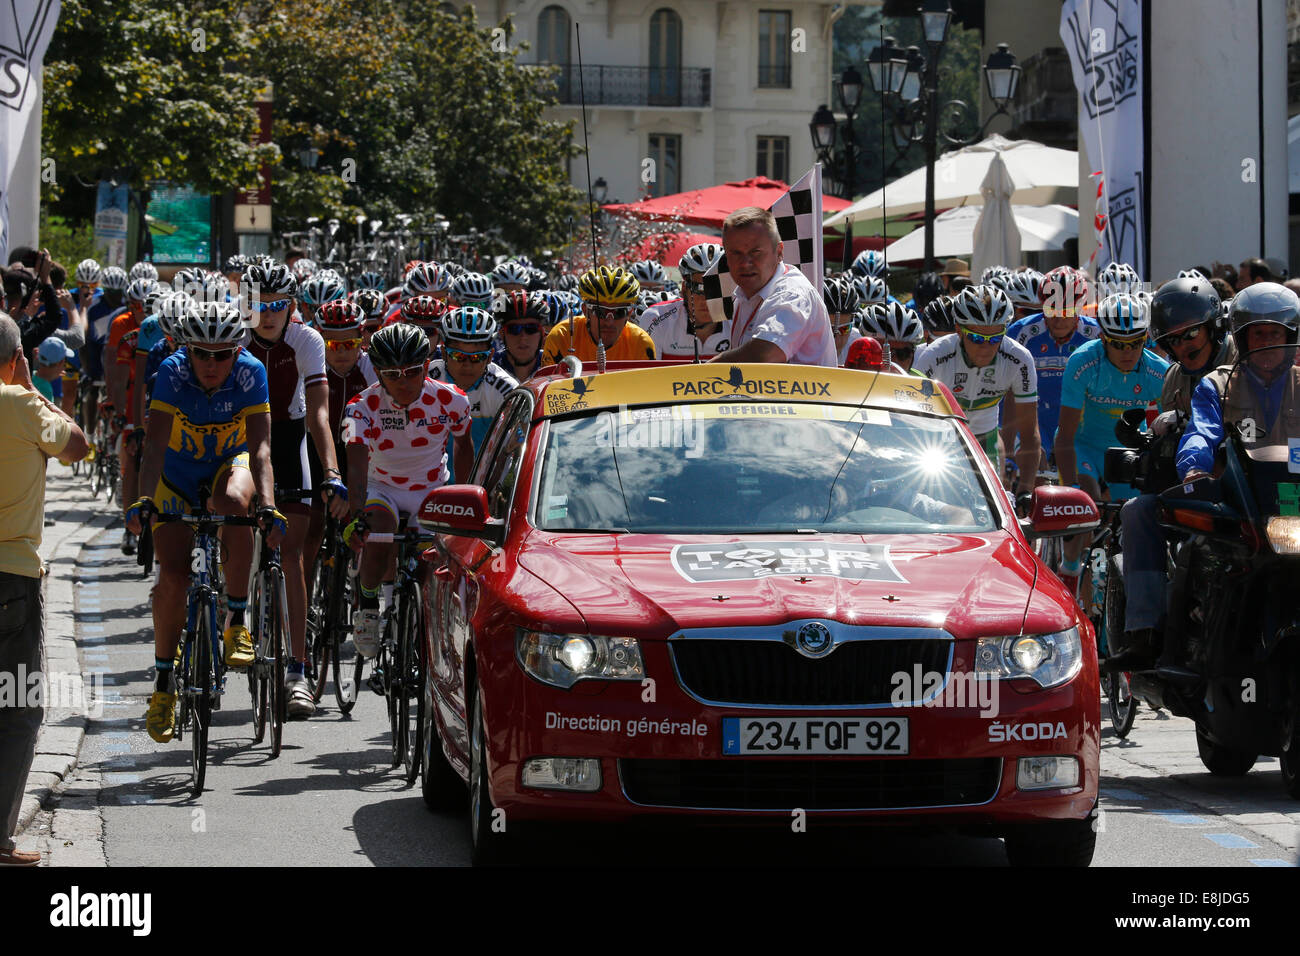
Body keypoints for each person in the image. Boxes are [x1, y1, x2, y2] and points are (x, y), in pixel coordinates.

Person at [125, 303, 283, 742]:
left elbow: (263, 451)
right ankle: (161, 687)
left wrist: (266, 505)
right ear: (187, 350)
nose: (211, 365)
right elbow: (154, 446)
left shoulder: (251, 373)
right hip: (175, 475)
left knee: (234, 502)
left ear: (237, 351)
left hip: (228, 465)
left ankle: (236, 617)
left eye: (222, 354)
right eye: (202, 353)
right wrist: (142, 500)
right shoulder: (172, 375)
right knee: (172, 580)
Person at [1155, 282, 1300, 679]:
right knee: (1194, 554)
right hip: (1243, 503)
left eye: (1275, 334)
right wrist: (1195, 469)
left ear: (1290, 337)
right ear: (1241, 337)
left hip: (1294, 507)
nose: (1268, 342)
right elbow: (1201, 432)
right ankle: (1178, 657)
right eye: (1258, 334)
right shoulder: (1216, 385)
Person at [0, 314, 88, 865]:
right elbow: (78, 446)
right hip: (11, 577)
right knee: (16, 707)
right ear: (15, 359)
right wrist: (32, 389)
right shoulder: (21, 405)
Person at [241, 261, 347, 717]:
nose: (268, 314)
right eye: (259, 306)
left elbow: (319, 416)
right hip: (242, 442)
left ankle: (298, 671)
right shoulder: (234, 339)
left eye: (277, 305)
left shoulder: (306, 340)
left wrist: (332, 472)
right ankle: (236, 615)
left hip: (289, 439)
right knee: (239, 536)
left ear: (292, 307)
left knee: (295, 555)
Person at [1114, 275, 1231, 670]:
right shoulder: (1174, 377)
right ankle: (1145, 632)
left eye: (1191, 334)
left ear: (1214, 327)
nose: (1183, 346)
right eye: (1173, 340)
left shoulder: (1244, 362)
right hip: (1196, 486)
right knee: (1136, 510)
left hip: (1254, 486)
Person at [342, 323, 474, 658]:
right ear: (379, 373)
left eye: (412, 372)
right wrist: (356, 515)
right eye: (393, 374)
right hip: (380, 486)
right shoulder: (360, 407)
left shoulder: (452, 399)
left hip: (429, 490)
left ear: (427, 366)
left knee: (429, 564)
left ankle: (426, 621)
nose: (403, 382)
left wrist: (467, 495)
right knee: (380, 531)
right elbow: (356, 467)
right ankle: (368, 605)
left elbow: (463, 447)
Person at [1055, 292, 1169, 593]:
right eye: (1118, 343)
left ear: (1146, 338)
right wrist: (1072, 492)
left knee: (1131, 520)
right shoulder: (1083, 362)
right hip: (1084, 446)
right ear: (1103, 339)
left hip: (1128, 450)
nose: (1127, 351)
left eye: (1135, 342)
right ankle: (1069, 568)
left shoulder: (1158, 371)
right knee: (1087, 506)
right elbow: (1065, 435)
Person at [914, 285, 1040, 479]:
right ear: (959, 330)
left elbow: (1029, 433)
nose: (985, 347)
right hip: (936, 440)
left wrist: (1026, 488)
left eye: (995, 338)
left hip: (985, 439)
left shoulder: (1019, 359)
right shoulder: (934, 356)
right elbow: (913, 420)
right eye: (976, 337)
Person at [708, 207, 835, 367]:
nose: (745, 262)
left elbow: (766, 354)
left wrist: (704, 371)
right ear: (726, 257)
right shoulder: (744, 295)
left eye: (756, 252)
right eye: (736, 253)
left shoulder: (792, 292)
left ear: (779, 252)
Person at [429, 306, 518, 452]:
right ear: (444, 353)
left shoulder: (506, 389)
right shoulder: (427, 380)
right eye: (458, 356)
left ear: (490, 357)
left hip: (482, 473)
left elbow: (515, 446)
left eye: (477, 357)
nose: (467, 365)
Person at [544, 265, 656, 365]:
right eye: (600, 312)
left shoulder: (641, 343)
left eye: (619, 312)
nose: (609, 321)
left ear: (629, 314)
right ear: (585, 311)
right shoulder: (561, 337)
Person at [492, 290, 549, 382]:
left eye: (531, 328)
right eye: (514, 329)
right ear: (502, 334)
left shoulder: (554, 365)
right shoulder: (489, 368)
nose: (523, 337)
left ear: (542, 333)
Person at [859, 301, 926, 374]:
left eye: (903, 354)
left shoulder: (922, 383)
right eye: (883, 353)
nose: (892, 361)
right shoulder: (847, 376)